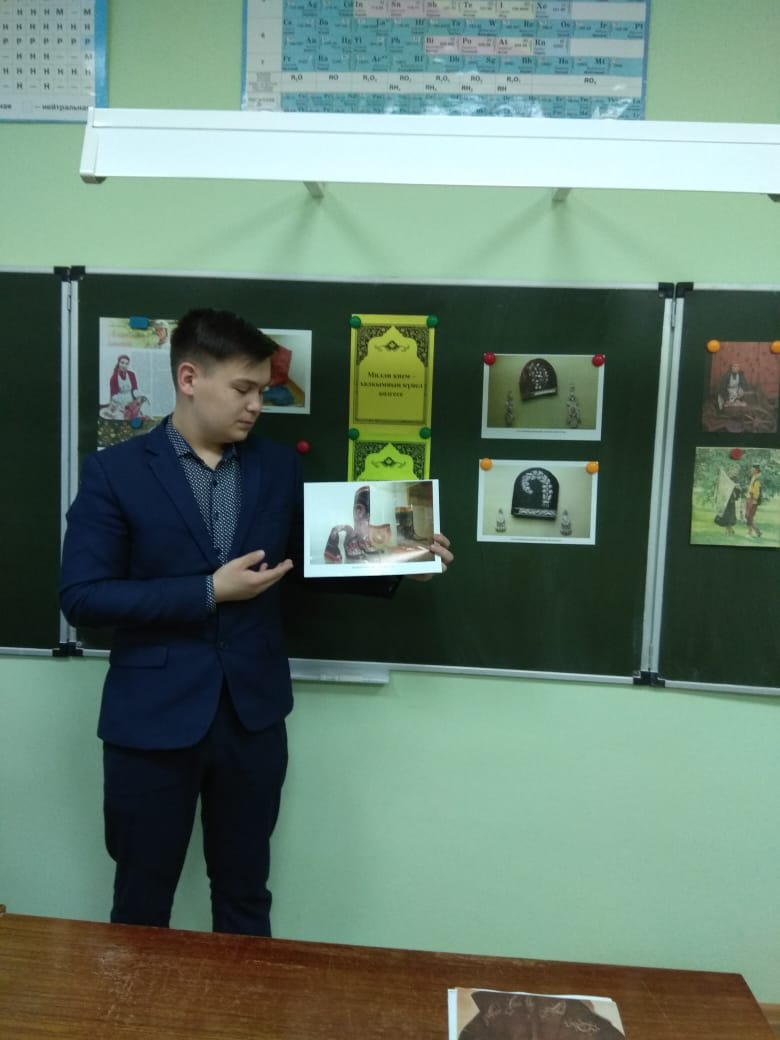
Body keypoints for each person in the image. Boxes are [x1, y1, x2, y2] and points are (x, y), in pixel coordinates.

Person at [60, 307, 453, 938]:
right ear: (190, 378)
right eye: (243, 389)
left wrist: (404, 560)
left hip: (252, 718)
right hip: (151, 723)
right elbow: (83, 597)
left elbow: (313, 557)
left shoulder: (276, 466)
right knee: (140, 904)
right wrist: (207, 592)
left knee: (246, 897)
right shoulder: (116, 472)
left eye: (263, 392)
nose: (256, 406)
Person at [745, 463, 763, 537]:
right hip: (749, 498)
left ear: (756, 470)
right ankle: (756, 532)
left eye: (752, 469)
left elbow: (756, 492)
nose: (751, 470)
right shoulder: (753, 477)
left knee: (749, 517)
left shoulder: (758, 479)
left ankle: (751, 532)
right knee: (747, 516)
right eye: (751, 469)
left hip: (753, 500)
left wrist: (752, 498)